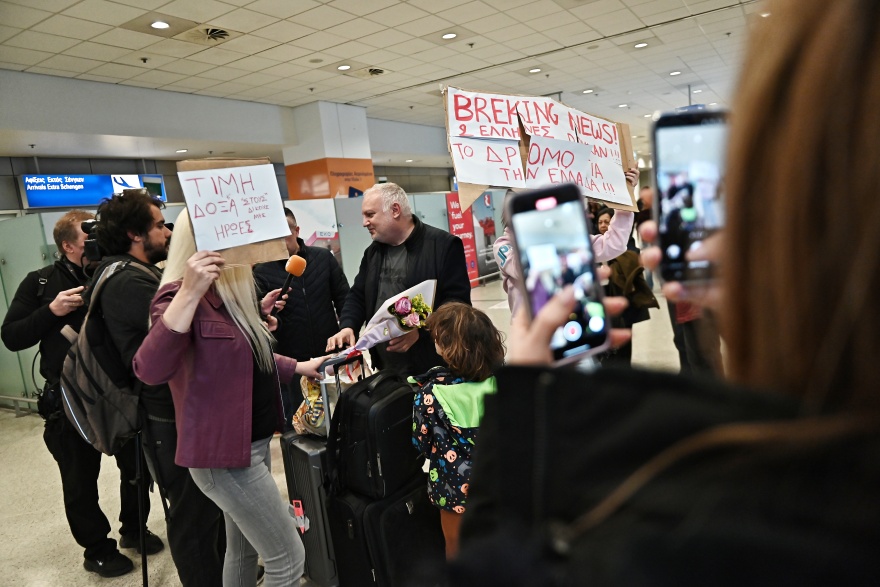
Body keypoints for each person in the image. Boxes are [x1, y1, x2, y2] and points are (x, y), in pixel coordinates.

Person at [448, 1, 880, 584]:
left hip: (561, 355)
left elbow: (609, 246)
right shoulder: (506, 249)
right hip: (556, 344)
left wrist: (624, 205)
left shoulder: (698, 511)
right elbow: (546, 266)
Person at [132, 208, 326, 587]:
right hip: (224, 457)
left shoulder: (227, 294)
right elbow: (150, 369)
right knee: (288, 559)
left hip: (250, 444)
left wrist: (293, 361)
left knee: (243, 550)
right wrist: (189, 292)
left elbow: (241, 359)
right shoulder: (177, 296)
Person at [0, 210, 149, 578]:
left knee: (137, 467)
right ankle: (97, 549)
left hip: (121, 391)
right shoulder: (40, 282)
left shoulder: (114, 272)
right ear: (67, 246)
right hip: (69, 398)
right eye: (88, 240)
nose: (96, 244)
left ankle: (135, 528)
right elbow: (12, 335)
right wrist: (51, 311)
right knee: (80, 479)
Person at [92, 189, 224, 586]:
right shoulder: (129, 281)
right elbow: (177, 337)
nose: (166, 233)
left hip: (170, 409)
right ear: (134, 234)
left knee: (205, 506)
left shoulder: (129, 273)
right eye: (158, 225)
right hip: (165, 413)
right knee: (193, 512)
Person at [327, 182, 471, 376]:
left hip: (431, 367)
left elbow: (457, 304)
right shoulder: (373, 253)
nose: (364, 223)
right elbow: (358, 295)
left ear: (395, 210)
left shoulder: (443, 246)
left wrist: (421, 330)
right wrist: (348, 326)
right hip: (387, 369)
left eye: (370, 215)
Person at [411, 302, 504, 560]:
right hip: (499, 483)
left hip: (452, 491)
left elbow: (420, 443)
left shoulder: (429, 394)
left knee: (456, 547)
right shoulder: (503, 383)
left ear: (450, 348)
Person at [492, 169, 639, 316]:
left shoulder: (566, 239)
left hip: (571, 320)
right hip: (531, 327)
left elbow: (613, 244)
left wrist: (624, 198)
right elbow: (524, 270)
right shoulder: (504, 245)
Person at [254, 207, 349, 429]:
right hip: (294, 363)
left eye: (285, 231)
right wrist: (271, 314)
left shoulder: (323, 258)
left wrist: (346, 329)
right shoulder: (261, 272)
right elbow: (261, 321)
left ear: (297, 230)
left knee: (341, 417)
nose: (280, 239)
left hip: (330, 355)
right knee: (302, 424)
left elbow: (344, 298)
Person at [595, 207, 658, 367]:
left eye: (606, 222)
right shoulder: (592, 246)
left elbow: (630, 263)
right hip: (603, 303)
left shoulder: (627, 246)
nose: (603, 225)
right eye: (600, 222)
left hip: (623, 302)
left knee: (623, 346)